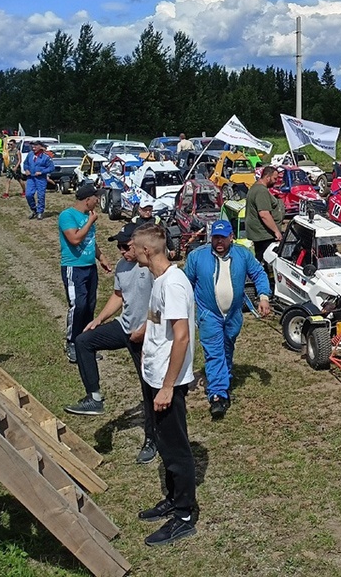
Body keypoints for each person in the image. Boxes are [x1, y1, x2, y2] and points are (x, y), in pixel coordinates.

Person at [65, 222, 158, 466]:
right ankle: (94, 397)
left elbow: (162, 306)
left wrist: (145, 329)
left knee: (148, 389)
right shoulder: (122, 265)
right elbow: (118, 295)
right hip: (125, 327)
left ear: (139, 246)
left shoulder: (152, 268)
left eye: (125, 246)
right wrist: (99, 319)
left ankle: (152, 439)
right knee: (84, 341)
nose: (121, 251)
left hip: (146, 334)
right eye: (118, 246)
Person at [129, 224, 198, 547]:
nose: (129, 252)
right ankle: (173, 498)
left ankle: (184, 514)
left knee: (175, 449)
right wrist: (143, 332)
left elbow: (181, 336)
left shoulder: (173, 285)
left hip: (168, 381)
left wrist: (169, 386)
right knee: (163, 441)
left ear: (147, 252)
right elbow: (160, 322)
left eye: (133, 247)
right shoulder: (160, 281)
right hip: (155, 374)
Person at [183, 219, 271, 420]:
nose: (219, 241)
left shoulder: (242, 254)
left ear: (232, 237)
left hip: (233, 315)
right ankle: (218, 396)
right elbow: (185, 282)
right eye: (215, 237)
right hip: (209, 315)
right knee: (214, 353)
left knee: (227, 347)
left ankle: (223, 377)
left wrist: (264, 296)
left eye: (223, 237)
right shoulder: (197, 257)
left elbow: (258, 273)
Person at [58, 182, 113, 363]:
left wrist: (101, 257)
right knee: (78, 305)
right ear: (88, 199)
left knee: (89, 306)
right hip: (74, 268)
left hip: (89, 267)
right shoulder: (67, 216)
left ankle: (86, 343)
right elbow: (74, 239)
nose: (98, 201)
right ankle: (72, 343)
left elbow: (90, 240)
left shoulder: (88, 216)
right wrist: (90, 221)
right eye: (96, 198)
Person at [245, 166, 283, 262]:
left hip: (262, 234)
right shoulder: (261, 191)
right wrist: (276, 231)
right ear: (267, 177)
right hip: (264, 235)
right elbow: (264, 214)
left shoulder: (257, 187)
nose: (276, 181)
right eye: (275, 178)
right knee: (264, 260)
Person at [23, 141, 55, 220]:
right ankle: (34, 210)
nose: (33, 148)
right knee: (28, 194)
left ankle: (40, 211)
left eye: (35, 146)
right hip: (31, 178)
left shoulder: (45, 157)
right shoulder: (30, 154)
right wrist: (26, 169)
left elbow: (51, 168)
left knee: (41, 196)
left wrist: (41, 172)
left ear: (40, 147)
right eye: (33, 146)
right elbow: (25, 163)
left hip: (40, 179)